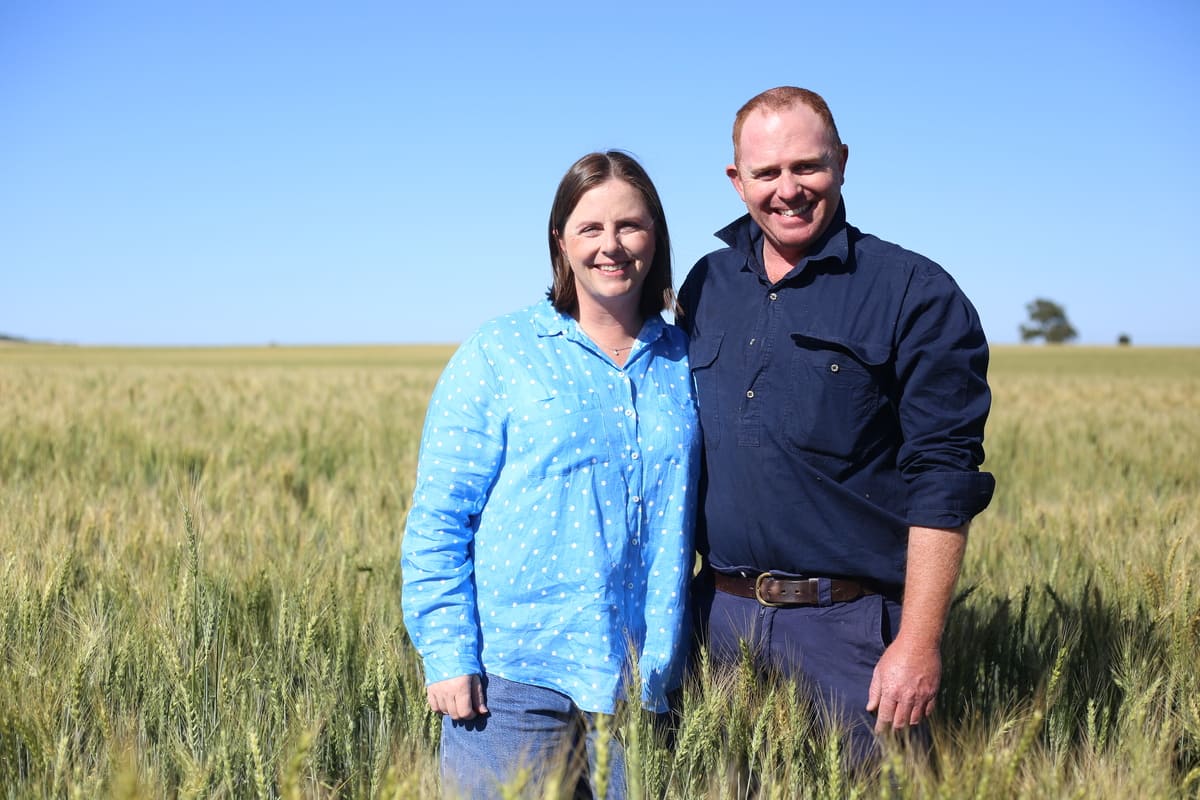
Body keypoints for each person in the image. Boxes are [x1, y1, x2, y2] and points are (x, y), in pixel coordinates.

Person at [678, 87, 995, 767]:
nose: (788, 190)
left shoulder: (913, 291)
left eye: (808, 166)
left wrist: (916, 643)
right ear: (737, 182)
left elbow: (944, 477)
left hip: (849, 633)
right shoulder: (705, 285)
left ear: (842, 162)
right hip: (719, 622)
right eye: (766, 173)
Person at [401, 150, 699, 799]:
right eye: (590, 228)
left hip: (643, 683)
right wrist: (449, 653)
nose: (611, 245)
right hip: (512, 681)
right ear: (560, 240)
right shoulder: (500, 352)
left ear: (656, 237)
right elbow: (441, 515)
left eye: (630, 226)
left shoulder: (686, 361)